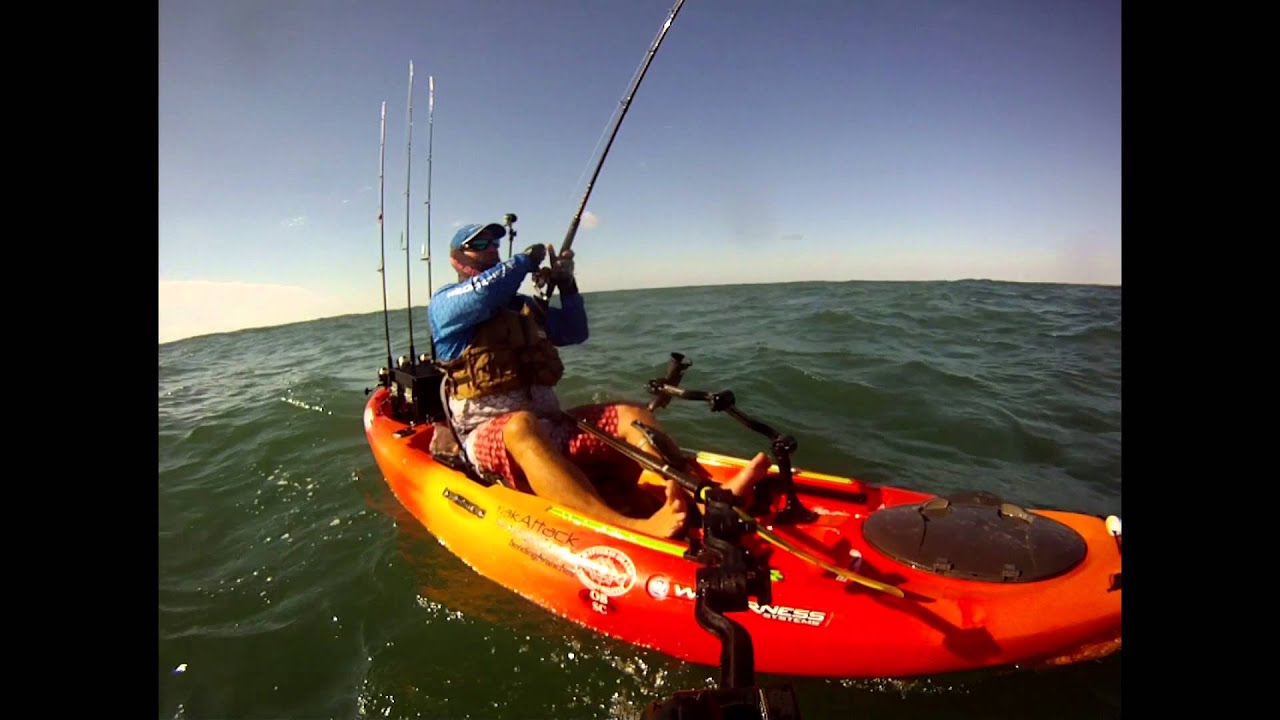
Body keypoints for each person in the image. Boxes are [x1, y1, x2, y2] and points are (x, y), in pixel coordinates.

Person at [427, 221, 769, 539]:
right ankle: (630, 526)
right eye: (479, 244)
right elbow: (482, 294)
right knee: (521, 425)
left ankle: (703, 497)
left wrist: (567, 284)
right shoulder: (446, 305)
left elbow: (575, 331)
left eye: (495, 242)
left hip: (550, 426)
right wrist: (524, 261)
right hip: (491, 439)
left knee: (630, 414)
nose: (491, 248)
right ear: (457, 259)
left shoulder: (523, 307)